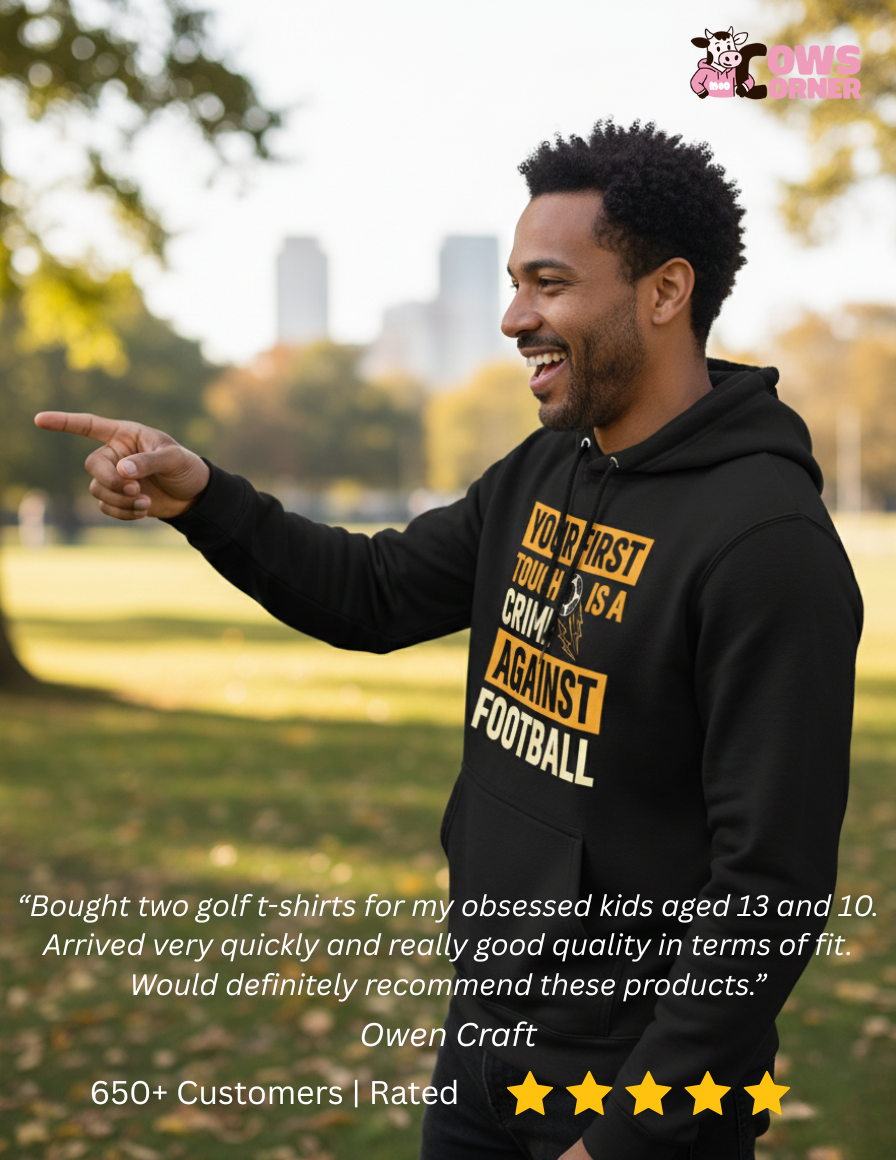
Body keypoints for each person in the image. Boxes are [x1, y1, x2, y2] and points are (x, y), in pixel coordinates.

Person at [36, 121, 861, 1160]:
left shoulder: (763, 544)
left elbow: (766, 892)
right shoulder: (544, 470)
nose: (515, 316)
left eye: (548, 282)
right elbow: (374, 592)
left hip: (635, 1103)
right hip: (490, 1054)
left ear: (663, 291)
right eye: (515, 283)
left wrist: (620, 1138)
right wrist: (205, 497)